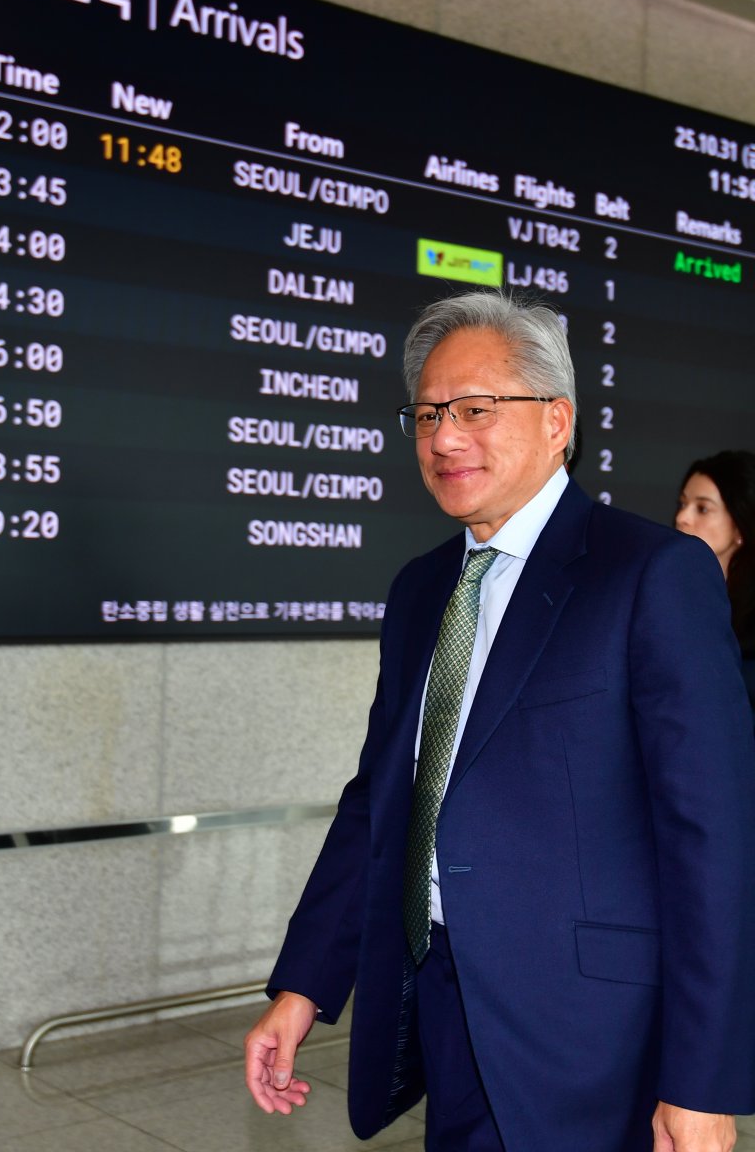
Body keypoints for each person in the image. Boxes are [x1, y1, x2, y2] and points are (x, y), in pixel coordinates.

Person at [244, 291, 755, 1152]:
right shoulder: (420, 590)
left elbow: (714, 840)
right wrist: (304, 987)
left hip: (598, 1038)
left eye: (476, 410)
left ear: (557, 421)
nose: (445, 438)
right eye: (428, 415)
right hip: (444, 1003)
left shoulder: (650, 574)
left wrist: (703, 1081)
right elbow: (380, 803)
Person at [675, 450, 755, 711]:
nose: (682, 518)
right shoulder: (673, 596)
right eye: (682, 504)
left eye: (703, 508)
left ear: (739, 526)